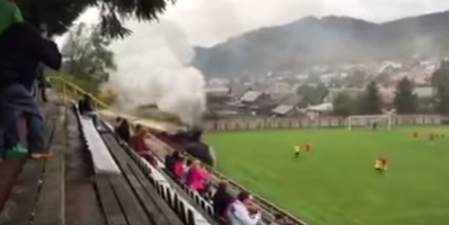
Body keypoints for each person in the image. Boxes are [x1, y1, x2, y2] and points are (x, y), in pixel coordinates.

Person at [0, 13, 62, 160]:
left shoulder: (11, 32)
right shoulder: (34, 38)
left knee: (4, 117)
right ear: (41, 28)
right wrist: (52, 44)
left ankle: (7, 147)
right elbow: (55, 62)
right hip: (10, 81)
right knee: (34, 112)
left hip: (5, 79)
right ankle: (38, 148)